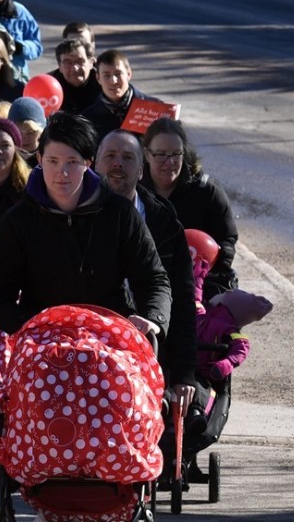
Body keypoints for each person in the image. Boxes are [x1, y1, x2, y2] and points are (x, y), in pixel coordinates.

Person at [0, 112, 172, 344]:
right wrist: (33, 327)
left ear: (88, 163)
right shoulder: (17, 220)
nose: (62, 172)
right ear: (39, 159)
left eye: (72, 162)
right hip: (42, 343)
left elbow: (153, 278)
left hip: (111, 338)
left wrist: (153, 319)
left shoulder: (119, 212)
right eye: (53, 161)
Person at [94, 129, 199, 424]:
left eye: (128, 158)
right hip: (96, 350)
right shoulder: (79, 218)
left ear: (141, 171)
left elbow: (181, 302)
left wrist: (183, 373)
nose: (118, 164)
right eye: (110, 156)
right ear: (95, 165)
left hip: (155, 348)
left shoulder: (165, 223)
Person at [140, 117, 239, 300]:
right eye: (161, 154)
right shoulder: (134, 190)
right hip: (147, 286)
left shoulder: (206, 191)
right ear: (147, 154)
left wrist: (207, 267)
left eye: (176, 154)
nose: (169, 162)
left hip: (200, 288)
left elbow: (227, 240)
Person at [82, 49, 161, 141]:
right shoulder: (88, 119)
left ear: (129, 74)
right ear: (98, 78)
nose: (113, 81)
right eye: (107, 75)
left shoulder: (155, 110)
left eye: (118, 74)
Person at [47, 38, 101, 115]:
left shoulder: (104, 83)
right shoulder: (49, 86)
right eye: (68, 63)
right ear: (60, 66)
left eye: (79, 61)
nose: (75, 68)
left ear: (91, 63)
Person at [6, 96, 46, 162]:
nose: (24, 137)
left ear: (41, 132)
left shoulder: (50, 160)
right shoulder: (5, 161)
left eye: (30, 131)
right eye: (18, 132)